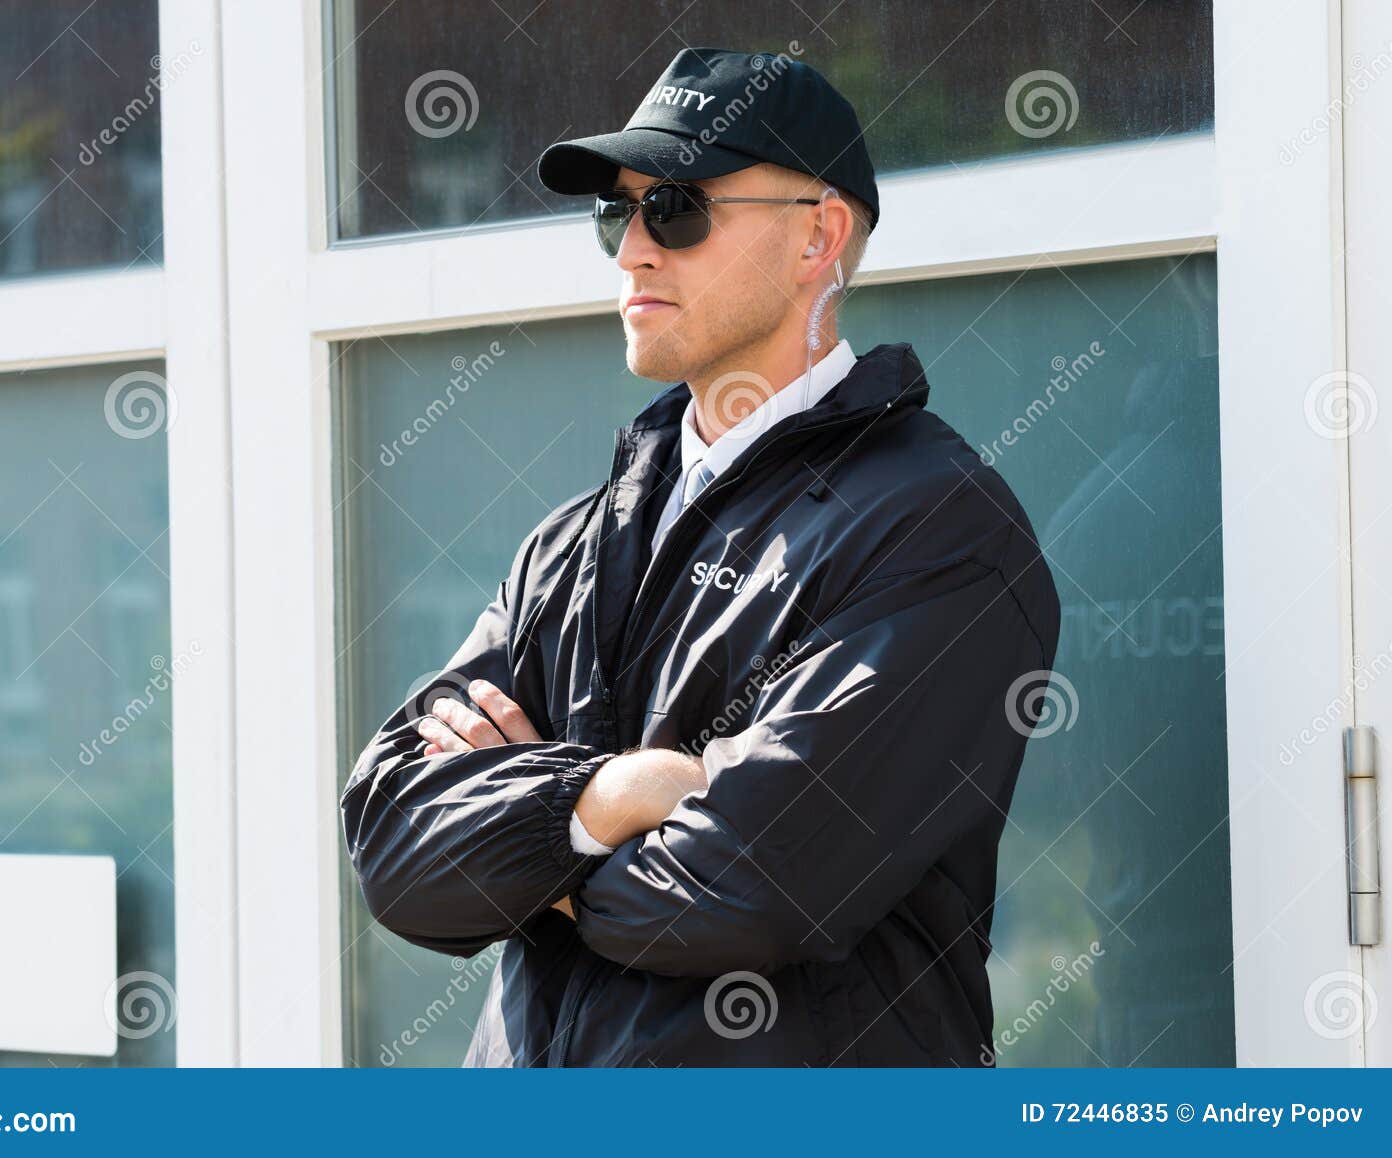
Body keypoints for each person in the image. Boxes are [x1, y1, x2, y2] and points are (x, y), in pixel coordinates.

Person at [341, 45, 1061, 1067]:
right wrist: (616, 799)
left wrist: (521, 845)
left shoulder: (935, 527)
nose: (634, 248)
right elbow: (398, 857)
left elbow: (737, 896)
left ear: (819, 234)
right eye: (614, 215)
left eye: (675, 208)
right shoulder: (570, 544)